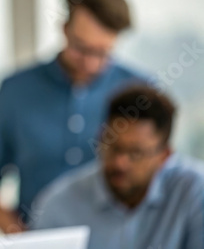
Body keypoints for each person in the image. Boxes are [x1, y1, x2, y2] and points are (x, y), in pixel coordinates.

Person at [0, 0, 145, 232]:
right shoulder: (14, 91)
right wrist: (21, 238)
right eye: (81, 48)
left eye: (101, 53)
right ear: (65, 29)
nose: (89, 63)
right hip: (39, 237)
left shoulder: (139, 92)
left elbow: (156, 175)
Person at [30, 86, 204, 249]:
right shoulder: (59, 205)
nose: (120, 163)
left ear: (164, 155)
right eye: (113, 147)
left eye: (136, 153)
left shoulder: (195, 191)